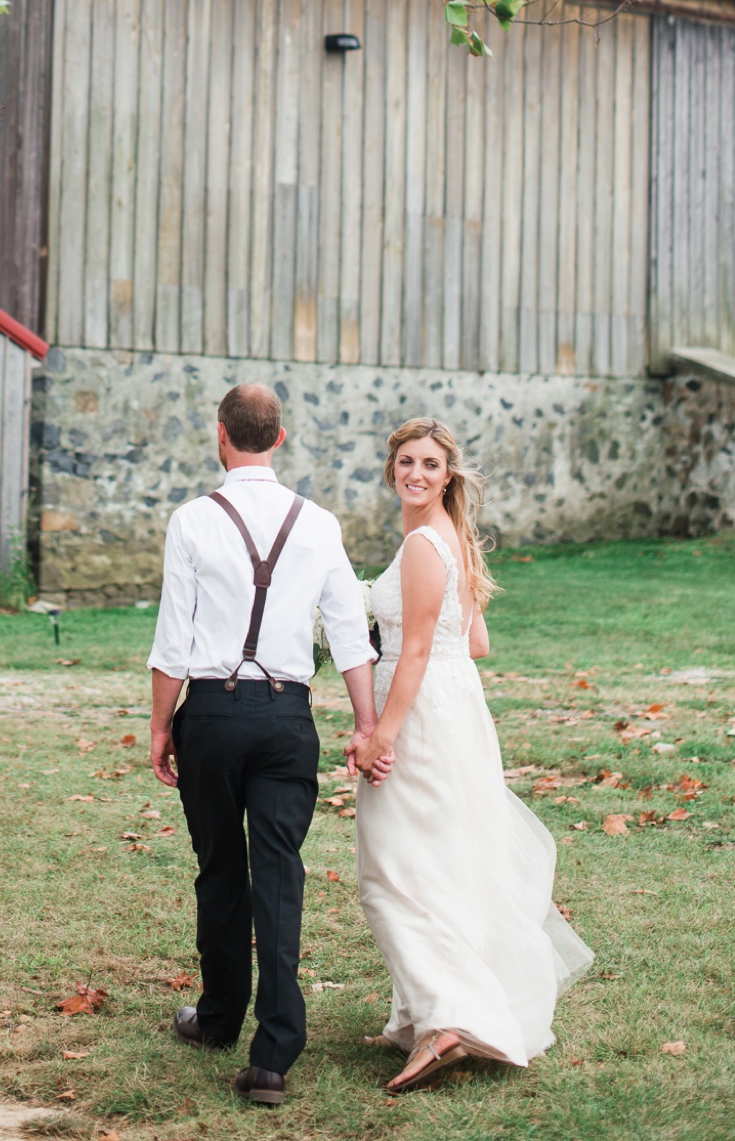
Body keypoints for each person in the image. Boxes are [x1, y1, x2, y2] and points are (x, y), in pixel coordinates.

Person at [148, 382, 383, 1108]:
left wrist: (162, 726)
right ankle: (275, 1053)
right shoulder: (318, 523)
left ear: (222, 435)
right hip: (289, 721)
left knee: (220, 867)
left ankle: (218, 1018)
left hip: (214, 716)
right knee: (278, 875)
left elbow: (172, 640)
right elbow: (349, 630)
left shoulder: (192, 520)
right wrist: (367, 722)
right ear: (278, 438)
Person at [349, 416, 593, 1093]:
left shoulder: (425, 544)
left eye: (429, 463)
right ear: (392, 467)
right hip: (455, 705)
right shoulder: (446, 538)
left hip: (423, 713)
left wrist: (381, 736)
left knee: (391, 871)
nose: (415, 473)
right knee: (439, 861)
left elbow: (423, 649)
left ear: (447, 474)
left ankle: (447, 1018)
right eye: (405, 461)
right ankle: (420, 1013)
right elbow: (473, 639)